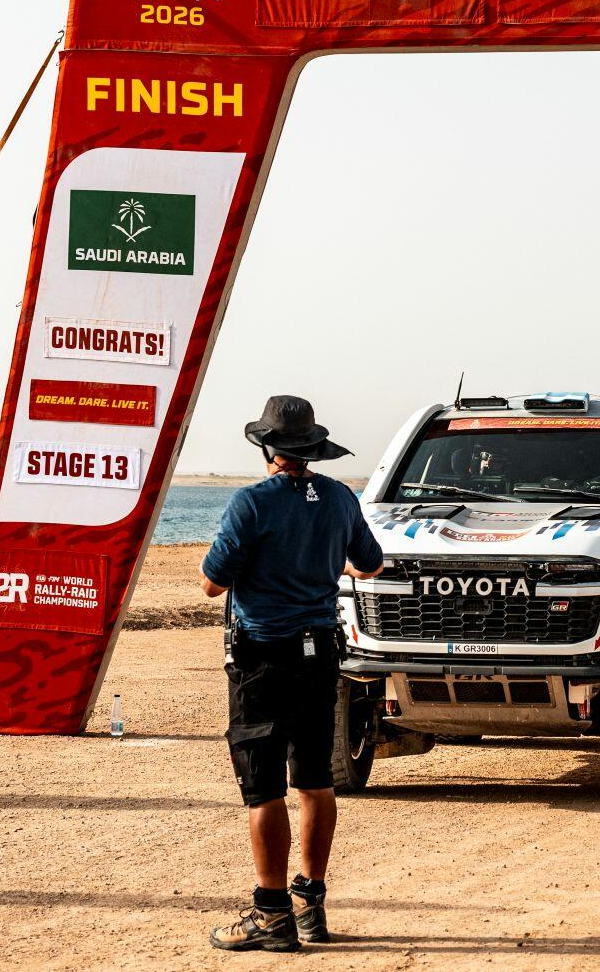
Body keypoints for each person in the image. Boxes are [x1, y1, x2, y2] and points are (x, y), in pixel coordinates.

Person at [201, 396, 384, 951]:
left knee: (263, 789)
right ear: (312, 449)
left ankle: (271, 913)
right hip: (320, 651)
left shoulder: (250, 502)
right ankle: (311, 904)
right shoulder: (340, 497)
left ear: (267, 447)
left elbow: (212, 583)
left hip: (262, 655)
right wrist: (326, 563)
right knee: (314, 780)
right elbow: (371, 564)